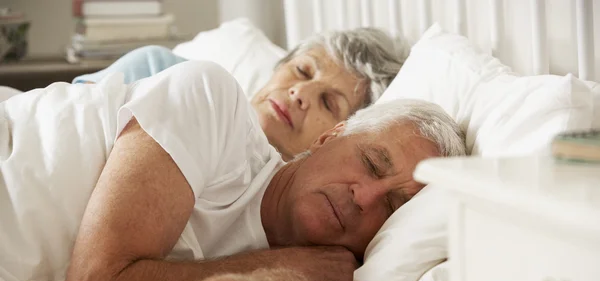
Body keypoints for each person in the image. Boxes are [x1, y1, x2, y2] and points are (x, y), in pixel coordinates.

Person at [0, 60, 464, 281]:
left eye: (393, 205)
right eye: (370, 163)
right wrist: (283, 270)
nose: (364, 197)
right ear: (331, 137)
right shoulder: (213, 101)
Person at [73, 27, 410, 160]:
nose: (300, 92)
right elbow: (68, 124)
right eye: (303, 70)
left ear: (339, 134)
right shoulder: (158, 69)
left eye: (328, 102)